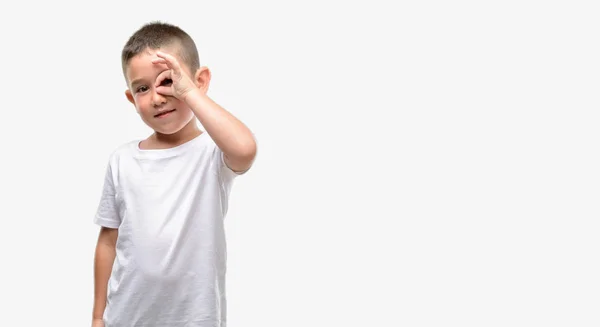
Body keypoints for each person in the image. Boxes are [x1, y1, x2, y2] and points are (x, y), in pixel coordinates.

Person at [91, 21, 257, 327]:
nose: (156, 97)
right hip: (127, 317)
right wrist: (99, 315)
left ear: (199, 81)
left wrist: (190, 93)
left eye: (168, 81)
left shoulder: (213, 152)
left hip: (194, 318)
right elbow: (108, 240)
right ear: (131, 98)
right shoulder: (123, 160)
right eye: (142, 88)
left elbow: (245, 149)